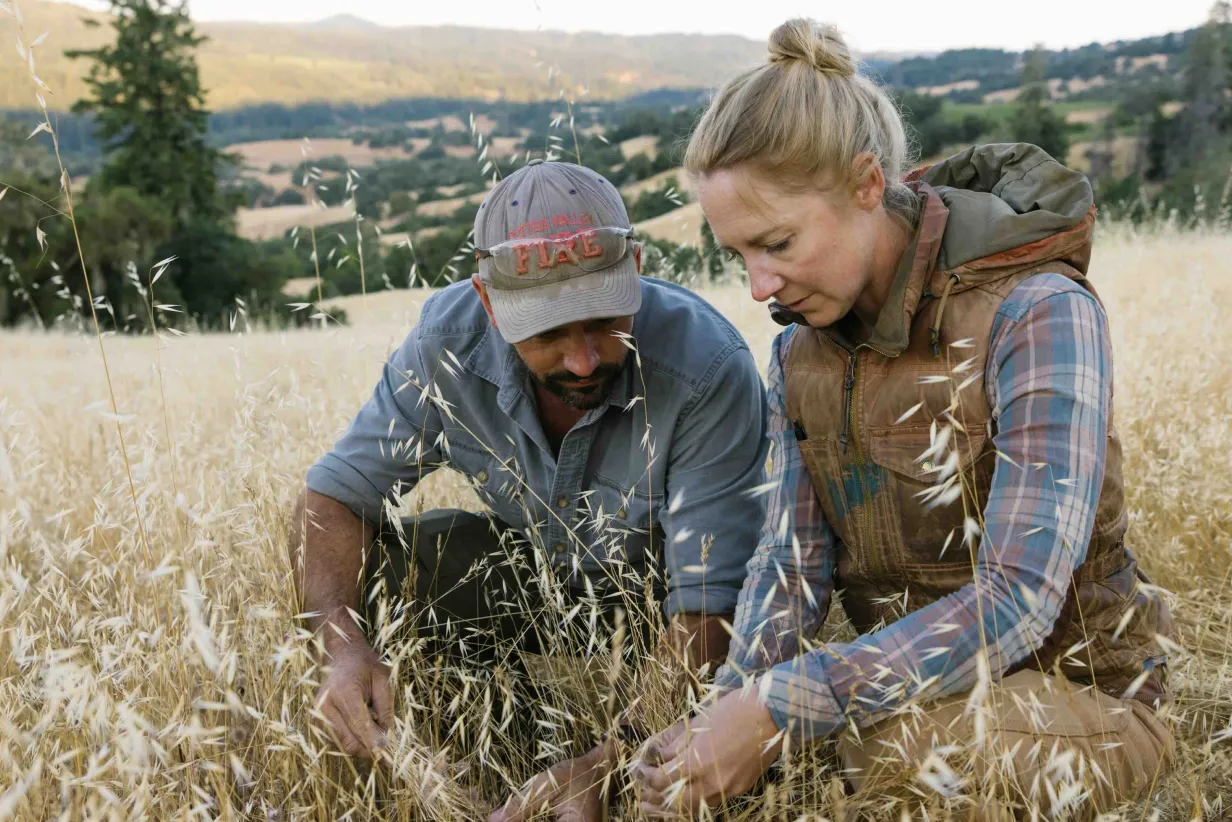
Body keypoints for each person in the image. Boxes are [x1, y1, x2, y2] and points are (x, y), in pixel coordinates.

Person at [632, 18, 1176, 820]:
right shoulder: (796, 357)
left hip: (1082, 699)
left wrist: (784, 709)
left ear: (865, 185)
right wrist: (725, 713)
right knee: (711, 770)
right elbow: (788, 567)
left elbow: (1018, 598)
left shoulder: (1039, 312)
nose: (758, 286)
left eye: (777, 242)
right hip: (896, 700)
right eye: (737, 255)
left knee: (894, 753)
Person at [287, 158, 768, 820]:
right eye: (546, 334)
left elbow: (712, 607)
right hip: (539, 574)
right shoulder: (446, 343)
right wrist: (338, 646)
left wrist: (613, 761)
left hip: (666, 600)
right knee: (394, 569)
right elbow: (332, 500)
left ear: (636, 268)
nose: (582, 360)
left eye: (604, 321)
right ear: (489, 302)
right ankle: (502, 762)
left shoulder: (708, 368)